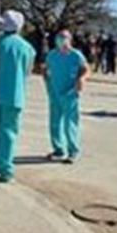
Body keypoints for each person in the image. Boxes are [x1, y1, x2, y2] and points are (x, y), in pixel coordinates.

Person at [0, 10, 35, 182]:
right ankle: (6, 169)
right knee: (8, 132)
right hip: (14, 95)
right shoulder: (27, 48)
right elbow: (27, 71)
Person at [44, 29, 88, 162]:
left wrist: (81, 80)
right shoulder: (52, 55)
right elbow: (46, 70)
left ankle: (72, 151)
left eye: (65, 37)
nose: (62, 40)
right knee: (55, 123)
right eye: (60, 37)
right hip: (55, 92)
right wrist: (47, 84)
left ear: (70, 39)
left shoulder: (76, 55)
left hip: (70, 93)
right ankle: (58, 150)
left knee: (70, 124)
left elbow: (85, 69)